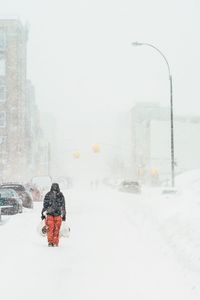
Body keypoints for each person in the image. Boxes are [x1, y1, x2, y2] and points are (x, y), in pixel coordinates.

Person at [41, 183, 66, 247]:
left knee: (56, 229)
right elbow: (45, 205)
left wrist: (64, 214)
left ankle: (55, 242)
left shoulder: (59, 195)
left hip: (57, 214)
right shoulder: (49, 195)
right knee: (51, 228)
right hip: (51, 214)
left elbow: (63, 206)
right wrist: (43, 213)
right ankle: (51, 242)